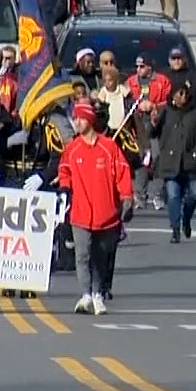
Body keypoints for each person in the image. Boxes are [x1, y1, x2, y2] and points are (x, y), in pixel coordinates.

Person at [59, 100, 134, 315]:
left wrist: (127, 197)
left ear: (90, 120)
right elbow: (64, 171)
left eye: (80, 118)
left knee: (100, 258)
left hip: (106, 214)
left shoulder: (108, 147)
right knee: (82, 256)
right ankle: (85, 295)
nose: (77, 122)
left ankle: (98, 294)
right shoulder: (72, 149)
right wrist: (65, 187)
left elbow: (122, 173)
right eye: (75, 118)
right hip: (81, 213)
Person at [152, 81, 196, 242]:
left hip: (191, 163)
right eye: (180, 93)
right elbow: (152, 133)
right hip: (171, 161)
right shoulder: (165, 112)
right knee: (173, 195)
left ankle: (186, 219)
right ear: (173, 95)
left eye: (185, 93)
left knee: (194, 194)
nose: (183, 96)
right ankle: (175, 228)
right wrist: (154, 122)